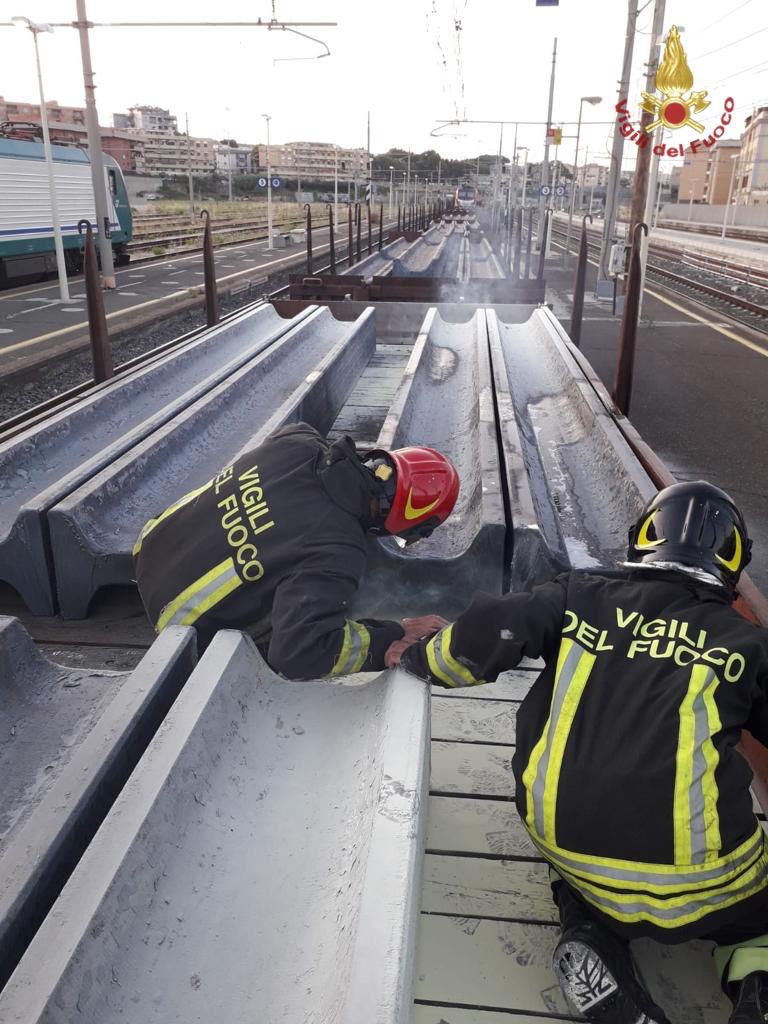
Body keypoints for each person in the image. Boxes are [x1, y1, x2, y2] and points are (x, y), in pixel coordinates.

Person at [401, 481, 768, 1024]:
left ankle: (588, 929)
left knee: (576, 873)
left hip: (566, 840)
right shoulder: (745, 643)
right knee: (756, 917)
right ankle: (754, 991)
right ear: (731, 565)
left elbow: (483, 634)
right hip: (702, 875)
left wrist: (420, 659)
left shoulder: (579, 594)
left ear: (644, 538)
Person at [133, 421, 459, 679]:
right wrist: (390, 636)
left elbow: (294, 436)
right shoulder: (335, 551)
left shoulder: (299, 444)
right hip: (177, 622)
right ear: (413, 520)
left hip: (149, 550)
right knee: (307, 628)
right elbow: (298, 654)